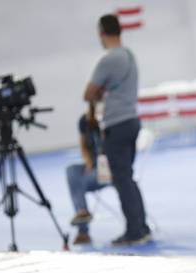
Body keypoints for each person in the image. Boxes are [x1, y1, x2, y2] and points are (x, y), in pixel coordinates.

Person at [83, 14, 151, 246]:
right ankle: (141, 226)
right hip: (132, 120)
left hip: (117, 124)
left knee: (121, 180)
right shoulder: (129, 56)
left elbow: (88, 93)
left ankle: (135, 231)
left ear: (102, 33)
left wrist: (101, 91)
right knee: (127, 178)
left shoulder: (108, 60)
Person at [66, 114, 109, 245]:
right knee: (72, 170)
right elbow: (85, 149)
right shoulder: (84, 124)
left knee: (78, 182)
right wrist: (89, 163)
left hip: (109, 169)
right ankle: (81, 213)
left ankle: (83, 231)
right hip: (95, 169)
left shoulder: (108, 125)